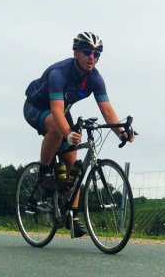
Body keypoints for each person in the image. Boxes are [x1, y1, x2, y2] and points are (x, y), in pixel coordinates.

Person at [23, 32, 136, 236]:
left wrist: (121, 132)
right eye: (87, 52)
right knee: (59, 129)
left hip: (61, 111)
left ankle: (72, 216)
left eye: (96, 53)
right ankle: (44, 172)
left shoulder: (95, 78)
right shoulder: (60, 73)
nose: (92, 57)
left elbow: (106, 109)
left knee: (72, 161)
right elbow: (56, 111)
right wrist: (67, 133)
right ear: (76, 53)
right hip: (37, 107)